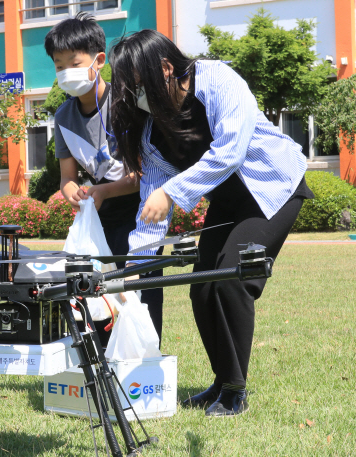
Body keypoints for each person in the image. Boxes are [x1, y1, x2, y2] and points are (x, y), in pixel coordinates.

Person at [109, 30, 313, 416]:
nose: (134, 97)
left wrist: (170, 192)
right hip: (230, 201)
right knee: (202, 286)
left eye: (136, 86)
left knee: (232, 280)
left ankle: (235, 391)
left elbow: (230, 153)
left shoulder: (217, 79)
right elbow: (152, 212)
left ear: (166, 69)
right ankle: (221, 381)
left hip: (274, 189)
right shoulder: (154, 133)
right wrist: (134, 268)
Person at [44, 12, 165, 342]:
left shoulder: (125, 103)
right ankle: (101, 371)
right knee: (96, 297)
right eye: (58, 65)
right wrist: (73, 192)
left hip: (139, 214)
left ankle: (143, 370)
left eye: (73, 61)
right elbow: (66, 178)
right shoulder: (64, 115)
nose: (65, 72)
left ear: (98, 60)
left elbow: (144, 174)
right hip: (98, 217)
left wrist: (101, 192)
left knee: (140, 296)